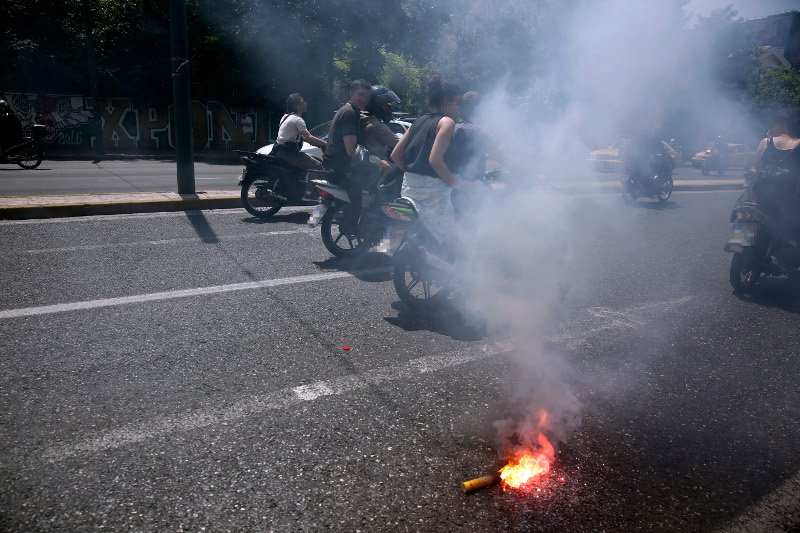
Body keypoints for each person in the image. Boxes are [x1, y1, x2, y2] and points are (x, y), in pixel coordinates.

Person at [390, 75, 466, 250]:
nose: (459, 107)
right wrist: (456, 183)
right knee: (451, 239)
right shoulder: (447, 122)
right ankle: (455, 271)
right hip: (433, 191)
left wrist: (412, 171)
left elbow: (395, 155)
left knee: (418, 228)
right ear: (447, 100)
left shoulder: (417, 121)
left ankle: (389, 250)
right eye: (457, 102)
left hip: (408, 186)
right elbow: (435, 160)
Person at [324, 79, 372, 230]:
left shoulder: (346, 110)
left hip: (333, 165)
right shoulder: (350, 114)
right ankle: (357, 225)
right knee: (374, 187)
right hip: (341, 169)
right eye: (360, 94)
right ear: (351, 93)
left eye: (366, 96)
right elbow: (351, 150)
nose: (364, 99)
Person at [751, 109, 800, 232]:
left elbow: (756, 168)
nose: (770, 128)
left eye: (772, 124)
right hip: (787, 202)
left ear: (783, 124)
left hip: (761, 198)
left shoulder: (765, 142)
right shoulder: (798, 144)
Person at [270, 93, 326, 170]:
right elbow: (308, 137)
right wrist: (325, 143)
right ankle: (311, 182)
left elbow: (304, 138)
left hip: (279, 152)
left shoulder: (285, 117)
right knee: (318, 166)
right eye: (303, 102)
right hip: (288, 154)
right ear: (297, 105)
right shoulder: (297, 119)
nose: (305, 103)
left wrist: (317, 142)